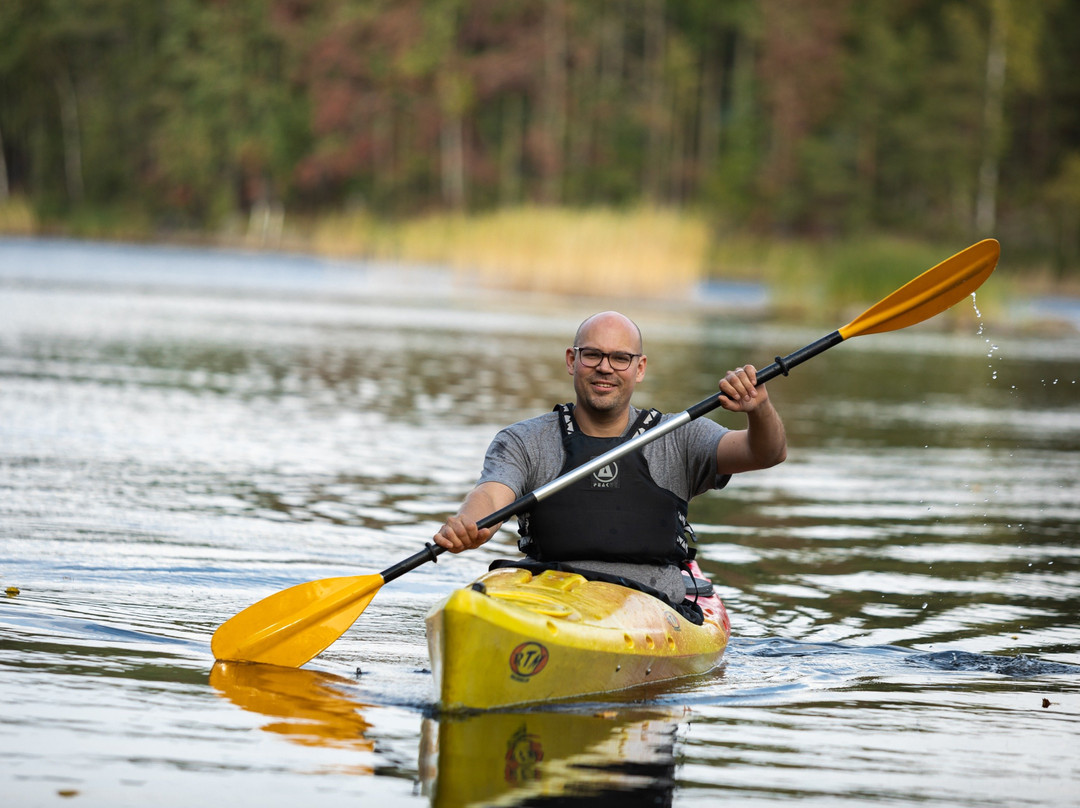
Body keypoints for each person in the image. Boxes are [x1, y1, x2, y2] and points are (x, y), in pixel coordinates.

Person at [432, 311, 787, 604]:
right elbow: (492, 494)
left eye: (620, 358)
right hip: (549, 596)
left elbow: (766, 453)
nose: (606, 367)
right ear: (572, 361)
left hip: (651, 602)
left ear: (640, 368)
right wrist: (471, 525)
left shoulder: (680, 435)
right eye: (592, 355)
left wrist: (760, 409)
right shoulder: (524, 440)